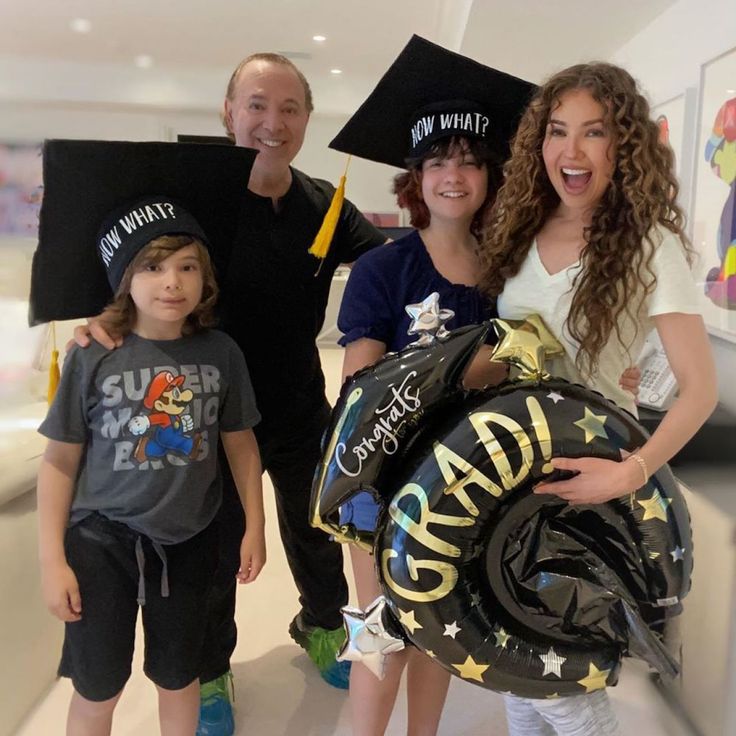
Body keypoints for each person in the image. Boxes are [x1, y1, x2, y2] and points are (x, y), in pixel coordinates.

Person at [73, 52, 387, 734]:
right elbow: (140, 268)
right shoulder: (198, 204)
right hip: (204, 413)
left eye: (289, 108)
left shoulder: (325, 205)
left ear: (306, 118)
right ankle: (210, 667)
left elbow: (394, 262)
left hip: (300, 402)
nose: (271, 122)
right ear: (228, 112)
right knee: (214, 549)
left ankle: (324, 625)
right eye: (256, 105)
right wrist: (103, 316)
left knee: (316, 528)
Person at [478, 61, 718, 736]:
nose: (571, 152)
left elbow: (699, 390)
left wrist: (629, 472)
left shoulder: (650, 242)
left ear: (624, 145)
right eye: (557, 132)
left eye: (594, 132)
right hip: (506, 475)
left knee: (567, 687)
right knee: (512, 670)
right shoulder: (518, 228)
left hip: (586, 479)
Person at [34, 141, 265, 736]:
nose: (173, 282)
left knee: (178, 676)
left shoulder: (221, 353)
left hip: (188, 541)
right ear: (123, 280)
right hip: (98, 543)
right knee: (98, 684)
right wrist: (51, 557)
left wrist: (257, 528)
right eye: (152, 266)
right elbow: (60, 460)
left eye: (188, 265)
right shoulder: (93, 355)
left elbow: (240, 445)